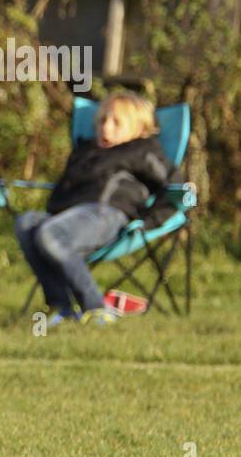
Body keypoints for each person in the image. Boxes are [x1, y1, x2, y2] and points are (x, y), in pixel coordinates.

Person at [15, 91, 176, 327]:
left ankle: (96, 308)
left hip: (106, 214)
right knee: (26, 222)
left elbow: (176, 188)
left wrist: (151, 221)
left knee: (49, 234)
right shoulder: (85, 150)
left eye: (116, 122)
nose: (105, 128)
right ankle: (61, 307)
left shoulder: (143, 151)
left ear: (140, 128)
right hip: (65, 216)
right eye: (102, 121)